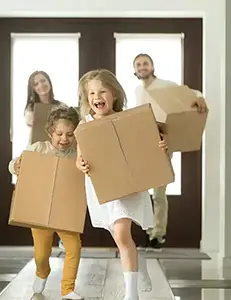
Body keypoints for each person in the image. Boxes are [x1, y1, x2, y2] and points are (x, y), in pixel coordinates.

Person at [75, 69, 169, 300]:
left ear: (114, 94)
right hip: (103, 188)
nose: (97, 97)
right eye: (92, 93)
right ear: (87, 99)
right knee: (119, 236)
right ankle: (140, 263)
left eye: (102, 91)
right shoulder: (84, 126)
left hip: (128, 187)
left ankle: (131, 294)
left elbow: (150, 145)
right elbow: (79, 159)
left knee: (121, 233)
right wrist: (82, 165)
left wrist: (161, 146)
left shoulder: (128, 120)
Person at [133, 53, 208, 251]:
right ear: (135, 69)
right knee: (142, 193)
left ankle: (158, 236)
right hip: (142, 144)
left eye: (145, 63)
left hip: (162, 143)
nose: (142, 67)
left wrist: (199, 98)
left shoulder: (165, 85)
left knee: (158, 192)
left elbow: (192, 93)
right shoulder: (136, 91)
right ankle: (148, 233)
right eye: (138, 64)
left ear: (152, 66)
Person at [9, 105, 83, 299]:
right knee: (41, 254)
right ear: (50, 130)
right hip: (40, 211)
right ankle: (42, 272)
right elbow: (15, 164)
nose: (64, 139)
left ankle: (68, 289)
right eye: (59, 133)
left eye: (70, 134)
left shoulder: (77, 155)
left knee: (73, 247)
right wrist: (16, 165)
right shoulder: (39, 148)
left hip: (66, 210)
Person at [23, 70, 65, 250]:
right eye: (36, 83)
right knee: (43, 198)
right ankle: (43, 241)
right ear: (32, 88)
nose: (41, 85)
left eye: (43, 81)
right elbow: (33, 129)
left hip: (59, 154)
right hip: (40, 154)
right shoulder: (31, 109)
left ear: (49, 82)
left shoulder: (61, 106)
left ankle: (63, 234)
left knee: (61, 197)